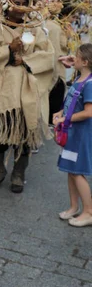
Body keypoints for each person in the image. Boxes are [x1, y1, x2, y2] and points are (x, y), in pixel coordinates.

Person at [0, 0, 54, 193]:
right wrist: (8, 51)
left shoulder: (36, 30)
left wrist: (25, 60)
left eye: (23, 3)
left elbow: (48, 56)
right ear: (7, 3)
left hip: (25, 93)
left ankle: (19, 174)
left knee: (24, 136)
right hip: (1, 93)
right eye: (16, 3)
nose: (20, 7)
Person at [54, 44, 92, 227]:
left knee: (77, 173)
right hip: (72, 133)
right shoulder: (80, 78)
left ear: (85, 62)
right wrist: (61, 112)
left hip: (80, 135)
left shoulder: (90, 84)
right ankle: (74, 207)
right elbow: (72, 102)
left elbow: (88, 112)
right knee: (71, 170)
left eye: (76, 56)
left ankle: (88, 212)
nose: (73, 58)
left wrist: (63, 119)